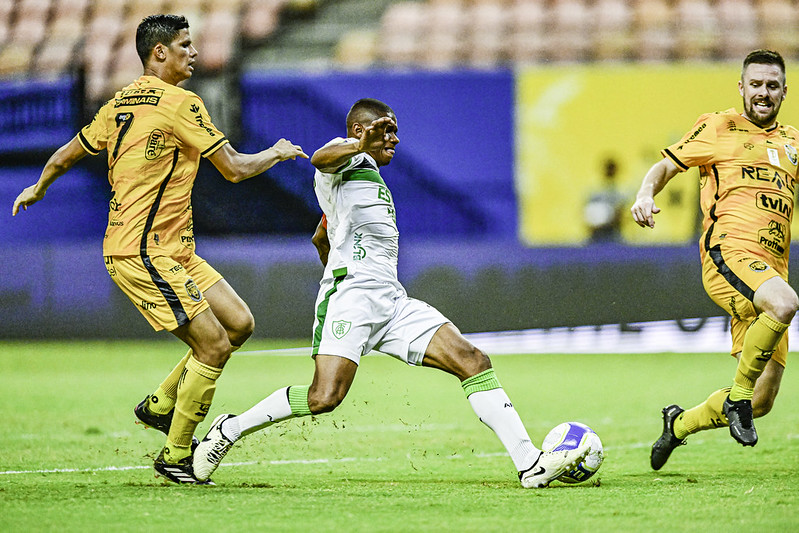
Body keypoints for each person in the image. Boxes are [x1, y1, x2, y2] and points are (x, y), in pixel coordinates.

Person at [191, 98, 590, 488]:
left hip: (391, 300)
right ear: (361, 131)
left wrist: (334, 249)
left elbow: (320, 235)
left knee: (472, 359)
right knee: (324, 397)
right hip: (352, 297)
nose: (394, 139)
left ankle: (529, 464)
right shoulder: (344, 157)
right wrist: (341, 284)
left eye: (394, 131)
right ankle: (231, 428)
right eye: (387, 130)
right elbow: (319, 158)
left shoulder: (365, 177)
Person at [11, 14, 308, 484]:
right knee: (211, 345)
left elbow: (66, 153)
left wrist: (38, 187)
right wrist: (275, 152)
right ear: (159, 53)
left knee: (238, 324)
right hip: (141, 250)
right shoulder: (181, 103)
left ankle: (160, 405)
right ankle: (175, 456)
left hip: (175, 250)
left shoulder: (120, 102)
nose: (193, 52)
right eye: (185, 44)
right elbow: (232, 169)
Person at [630, 49, 799, 470]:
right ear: (741, 87)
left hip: (772, 267)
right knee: (785, 304)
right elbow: (665, 166)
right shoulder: (718, 126)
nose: (763, 92)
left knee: (763, 401)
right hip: (729, 252)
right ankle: (737, 397)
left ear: (783, 91)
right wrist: (644, 195)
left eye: (772, 86)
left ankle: (679, 425)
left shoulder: (793, 141)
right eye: (756, 84)